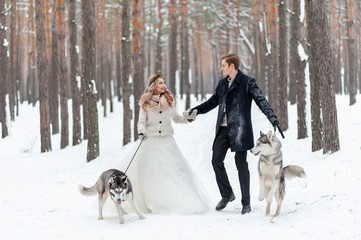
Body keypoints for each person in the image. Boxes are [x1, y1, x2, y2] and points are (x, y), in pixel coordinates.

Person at [186, 53, 279, 214]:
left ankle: (246, 203)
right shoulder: (222, 83)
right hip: (223, 129)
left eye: (223, 65)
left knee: (241, 164)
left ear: (232, 66)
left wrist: (272, 117)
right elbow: (213, 102)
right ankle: (227, 194)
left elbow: (260, 100)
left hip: (240, 130)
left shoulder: (247, 82)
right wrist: (196, 110)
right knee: (216, 161)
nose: (221, 68)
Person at [119, 74, 211, 215]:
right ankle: (153, 201)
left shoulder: (168, 101)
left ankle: (174, 200)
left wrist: (189, 118)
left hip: (167, 142)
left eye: (164, 82)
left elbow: (177, 118)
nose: (164, 85)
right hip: (151, 142)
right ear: (153, 86)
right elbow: (141, 122)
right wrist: (142, 131)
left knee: (174, 172)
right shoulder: (146, 103)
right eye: (160, 83)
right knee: (154, 174)